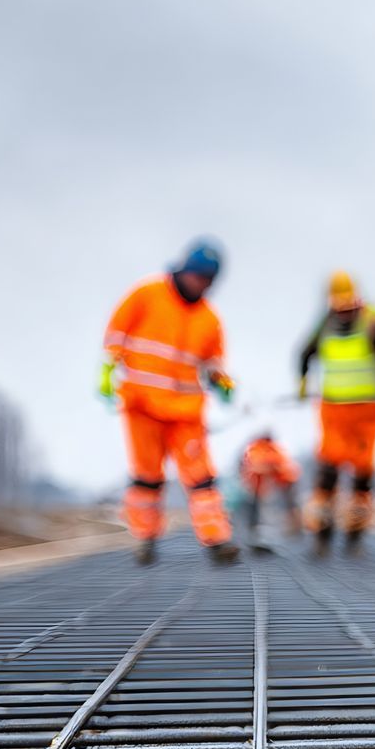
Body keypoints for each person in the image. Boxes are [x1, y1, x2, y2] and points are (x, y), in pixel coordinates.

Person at [99, 238, 240, 565]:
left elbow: (213, 362)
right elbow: (116, 335)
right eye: (197, 276)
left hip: (185, 412)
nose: (200, 284)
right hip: (143, 406)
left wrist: (223, 382)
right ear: (184, 269)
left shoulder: (209, 319)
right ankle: (145, 539)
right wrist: (107, 371)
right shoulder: (146, 295)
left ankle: (217, 540)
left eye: (207, 280)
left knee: (202, 478)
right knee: (147, 478)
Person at [297, 270, 375, 550]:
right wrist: (304, 380)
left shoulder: (371, 323)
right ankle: (322, 527)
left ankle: (356, 530)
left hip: (367, 409)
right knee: (329, 464)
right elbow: (304, 353)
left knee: (363, 468)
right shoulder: (325, 325)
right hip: (333, 409)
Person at [238, 431, 301, 549]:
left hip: (275, 478)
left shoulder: (259, 449)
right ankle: (257, 529)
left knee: (261, 502)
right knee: (257, 502)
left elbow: (280, 467)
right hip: (264, 479)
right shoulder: (267, 449)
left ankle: (258, 529)